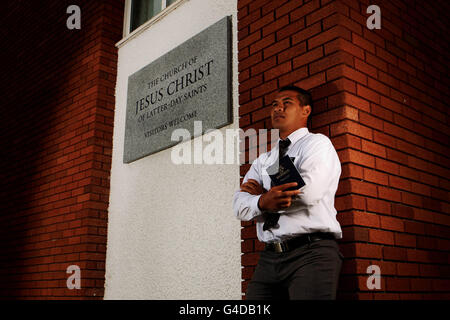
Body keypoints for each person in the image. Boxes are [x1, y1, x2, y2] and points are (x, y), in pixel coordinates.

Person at [233, 85, 344, 300]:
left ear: (306, 111)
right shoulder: (263, 160)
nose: (278, 108)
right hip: (269, 257)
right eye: (274, 104)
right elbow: (239, 206)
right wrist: (264, 201)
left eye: (287, 103)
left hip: (311, 253)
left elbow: (308, 194)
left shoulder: (317, 144)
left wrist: (260, 199)